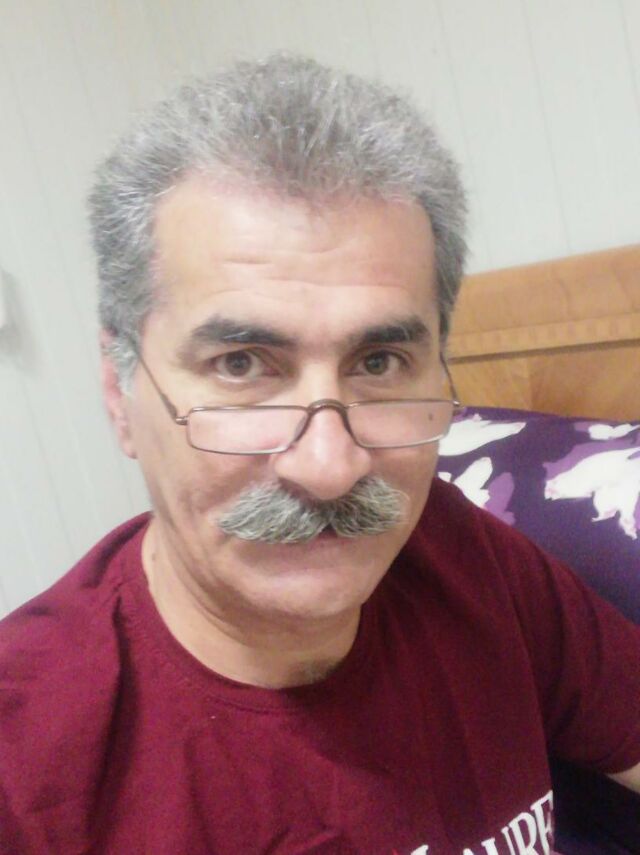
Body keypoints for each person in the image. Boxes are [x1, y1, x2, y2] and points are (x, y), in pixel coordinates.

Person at [0, 53, 638, 855]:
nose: (331, 467)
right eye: (241, 365)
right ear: (118, 392)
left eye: (380, 363)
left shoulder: (459, 552)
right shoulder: (27, 770)